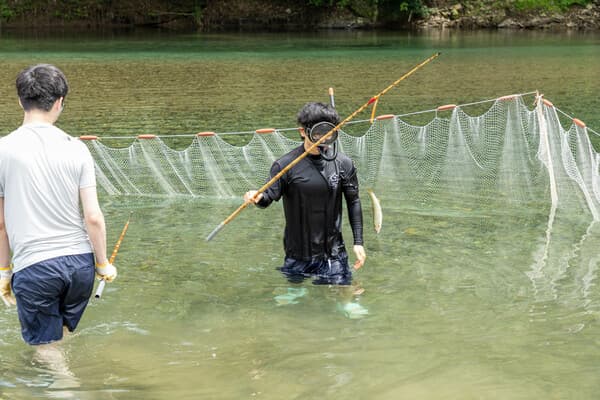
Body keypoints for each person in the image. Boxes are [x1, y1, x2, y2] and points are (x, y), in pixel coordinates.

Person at [0, 64, 117, 347]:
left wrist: (4, 272)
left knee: (43, 347)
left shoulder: (3, 149)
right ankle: (63, 378)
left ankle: (68, 388)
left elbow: (1, 224)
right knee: (58, 337)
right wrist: (102, 264)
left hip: (36, 267)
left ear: (20, 100)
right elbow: (93, 217)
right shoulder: (76, 147)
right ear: (60, 101)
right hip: (80, 266)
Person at [244, 101, 367, 317]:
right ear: (303, 131)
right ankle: (295, 291)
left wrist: (358, 241)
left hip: (333, 247)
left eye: (330, 132)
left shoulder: (343, 164)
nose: (325, 139)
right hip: (298, 246)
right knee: (295, 283)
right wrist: (256, 197)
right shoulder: (285, 165)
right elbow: (268, 197)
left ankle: (347, 303)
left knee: (342, 286)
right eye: (320, 132)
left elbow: (354, 201)